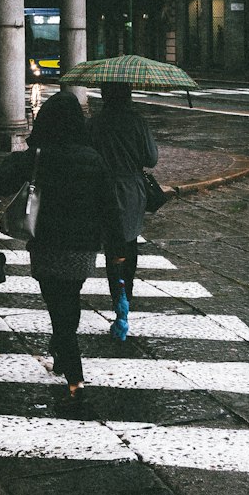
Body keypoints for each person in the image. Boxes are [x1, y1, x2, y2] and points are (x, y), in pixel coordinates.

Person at [0, 91, 120, 401]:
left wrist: (25, 150)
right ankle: (63, 351)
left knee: (57, 303)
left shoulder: (39, 156)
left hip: (48, 244)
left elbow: (0, 182)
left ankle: (73, 369)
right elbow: (110, 207)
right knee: (70, 298)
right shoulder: (93, 159)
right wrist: (116, 248)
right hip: (83, 247)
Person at [89, 82, 159, 343]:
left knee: (112, 248)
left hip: (102, 187)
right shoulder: (138, 123)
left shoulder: (94, 123)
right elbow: (151, 158)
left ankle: (116, 299)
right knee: (129, 243)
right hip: (131, 190)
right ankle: (125, 297)